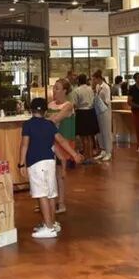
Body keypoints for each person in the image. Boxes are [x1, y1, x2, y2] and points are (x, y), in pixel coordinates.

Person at [19, 98, 83, 239]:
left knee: (41, 194)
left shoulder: (28, 125)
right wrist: (74, 154)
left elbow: (24, 145)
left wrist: (21, 163)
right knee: (51, 193)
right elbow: (61, 140)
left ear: (31, 110)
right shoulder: (49, 124)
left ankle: (48, 227)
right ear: (45, 112)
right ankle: (52, 223)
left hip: (36, 163)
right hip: (50, 162)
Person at [47, 79, 77, 212]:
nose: (54, 90)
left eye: (57, 88)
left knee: (59, 173)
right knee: (50, 172)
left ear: (64, 91)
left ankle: (61, 202)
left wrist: (49, 119)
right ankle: (50, 200)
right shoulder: (50, 104)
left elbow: (55, 119)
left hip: (63, 142)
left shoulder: (68, 105)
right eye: (54, 87)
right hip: (51, 141)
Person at [72, 74, 98, 164]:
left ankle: (86, 157)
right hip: (91, 112)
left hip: (82, 113)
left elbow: (74, 104)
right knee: (90, 136)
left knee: (84, 137)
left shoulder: (77, 90)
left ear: (78, 81)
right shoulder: (90, 89)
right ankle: (90, 156)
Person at [92, 72, 114, 161]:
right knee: (100, 132)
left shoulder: (106, 87)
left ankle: (109, 151)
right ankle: (103, 150)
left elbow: (107, 101)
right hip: (98, 111)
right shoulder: (97, 87)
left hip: (105, 111)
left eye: (94, 79)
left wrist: (99, 100)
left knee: (106, 131)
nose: (93, 81)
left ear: (98, 78)